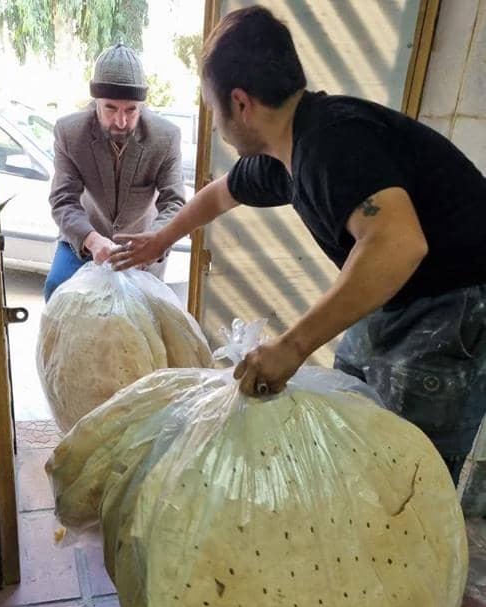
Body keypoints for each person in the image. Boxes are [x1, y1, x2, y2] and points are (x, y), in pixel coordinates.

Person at [109, 5, 486, 483]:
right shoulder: (283, 152)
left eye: (212, 108)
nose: (216, 123)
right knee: (350, 413)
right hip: (400, 296)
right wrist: (160, 239)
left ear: (240, 103)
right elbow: (221, 194)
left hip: (455, 304)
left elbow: (398, 244)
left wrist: (292, 346)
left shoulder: (331, 144)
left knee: (406, 470)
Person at [44, 43, 186, 301]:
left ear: (142, 105)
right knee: (57, 290)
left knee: (147, 312)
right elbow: (63, 200)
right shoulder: (69, 133)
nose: (121, 121)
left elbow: (174, 203)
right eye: (110, 108)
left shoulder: (166, 137)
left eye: (131, 110)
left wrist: (153, 242)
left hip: (143, 246)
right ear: (96, 102)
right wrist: (91, 239)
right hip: (85, 238)